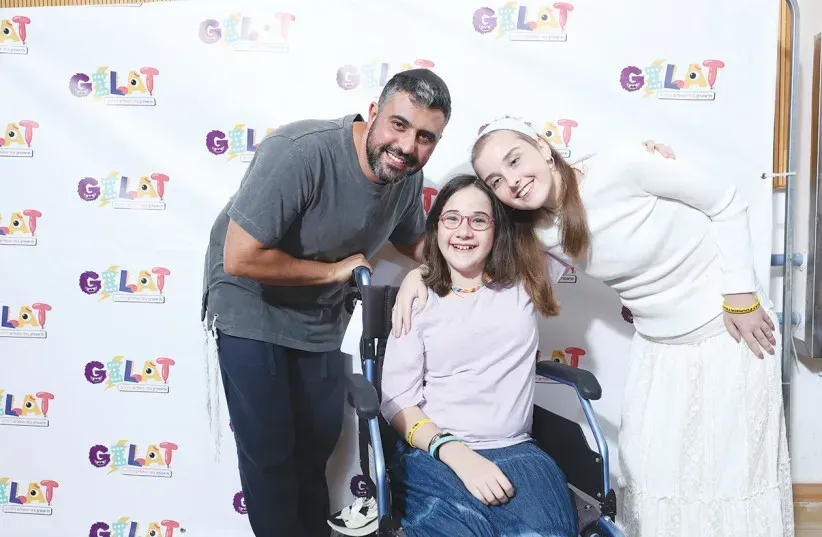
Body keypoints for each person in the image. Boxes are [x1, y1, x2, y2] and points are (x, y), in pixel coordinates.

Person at [393, 117, 794, 537]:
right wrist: (416, 276)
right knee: (652, 474)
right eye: (496, 180)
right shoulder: (534, 233)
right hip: (658, 346)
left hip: (728, 324)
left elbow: (726, 202)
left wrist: (741, 295)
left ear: (545, 148)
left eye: (516, 160)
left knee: (734, 471)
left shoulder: (623, 165)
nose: (512, 181)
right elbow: (462, 250)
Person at [201, 68, 452, 537]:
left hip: (317, 315)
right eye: (398, 125)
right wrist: (333, 272)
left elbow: (416, 242)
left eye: (425, 137)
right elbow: (239, 258)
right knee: (271, 453)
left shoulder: (403, 176)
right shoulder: (300, 152)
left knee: (315, 443)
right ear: (374, 112)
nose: (407, 146)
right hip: (250, 305)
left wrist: (451, 259)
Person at [380, 174, 578, 537]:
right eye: (451, 218)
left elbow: (569, 216)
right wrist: (454, 452)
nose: (463, 231)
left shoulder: (528, 280)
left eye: (479, 220)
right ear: (436, 227)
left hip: (517, 450)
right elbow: (397, 402)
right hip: (435, 453)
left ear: (497, 229)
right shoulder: (417, 299)